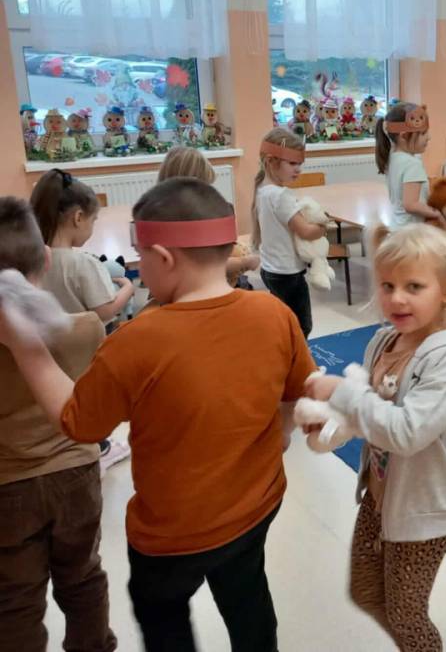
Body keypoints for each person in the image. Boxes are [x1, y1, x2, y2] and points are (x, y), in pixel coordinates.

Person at [0, 178, 317, 652]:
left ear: (165, 258)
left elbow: (78, 422)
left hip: (171, 535)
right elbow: (297, 392)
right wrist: (284, 434)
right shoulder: (274, 313)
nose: (139, 269)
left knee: (163, 613)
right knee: (248, 596)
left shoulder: (135, 341)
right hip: (257, 506)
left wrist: (26, 345)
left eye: (140, 257)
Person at [303, 224, 446, 652]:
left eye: (413, 286)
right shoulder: (385, 340)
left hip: (423, 509)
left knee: (406, 615)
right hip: (381, 495)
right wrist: (331, 424)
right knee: (365, 591)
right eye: (387, 285)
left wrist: (342, 394)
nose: (397, 298)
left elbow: (406, 432)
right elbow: (366, 411)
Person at [0, 197, 117, 652]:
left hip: (8, 486)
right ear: (46, 259)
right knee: (83, 576)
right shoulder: (86, 328)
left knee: (14, 596)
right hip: (77, 475)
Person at [30, 169, 135, 473]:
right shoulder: (82, 264)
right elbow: (104, 311)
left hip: (46, 349)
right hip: (84, 353)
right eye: (93, 221)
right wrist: (127, 288)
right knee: (87, 399)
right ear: (78, 218)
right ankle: (100, 446)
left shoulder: (31, 258)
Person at [252, 129, 328, 338]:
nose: (298, 169)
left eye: (300, 164)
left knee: (283, 323)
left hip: (270, 269)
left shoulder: (262, 190)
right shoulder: (281, 195)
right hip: (288, 272)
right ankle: (295, 357)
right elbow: (306, 231)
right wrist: (323, 227)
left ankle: (283, 353)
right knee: (301, 327)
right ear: (271, 161)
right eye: (293, 163)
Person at [158, 146, 260, 287]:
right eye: (205, 187)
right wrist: (245, 262)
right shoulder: (190, 222)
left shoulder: (161, 211)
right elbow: (205, 267)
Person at [376, 101, 445, 230]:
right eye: (423, 133)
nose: (429, 137)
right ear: (403, 136)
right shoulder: (412, 164)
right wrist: (438, 214)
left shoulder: (392, 157)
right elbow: (411, 205)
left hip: (397, 228)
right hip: (411, 233)